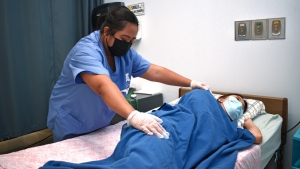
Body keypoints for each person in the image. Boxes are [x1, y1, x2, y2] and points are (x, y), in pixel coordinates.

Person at [47, 6, 210, 142]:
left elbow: (156, 72)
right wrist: (134, 115)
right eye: (124, 38)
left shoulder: (126, 55)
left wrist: (191, 83)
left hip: (99, 125)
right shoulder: (85, 52)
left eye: (131, 40)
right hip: (72, 122)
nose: (127, 45)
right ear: (107, 32)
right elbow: (103, 86)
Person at [41, 89, 262, 169]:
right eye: (237, 99)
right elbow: (184, 108)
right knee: (151, 154)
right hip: (167, 126)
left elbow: (257, 137)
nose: (238, 106)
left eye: (241, 108)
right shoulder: (203, 96)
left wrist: (246, 120)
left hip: (183, 142)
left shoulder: (231, 126)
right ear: (222, 97)